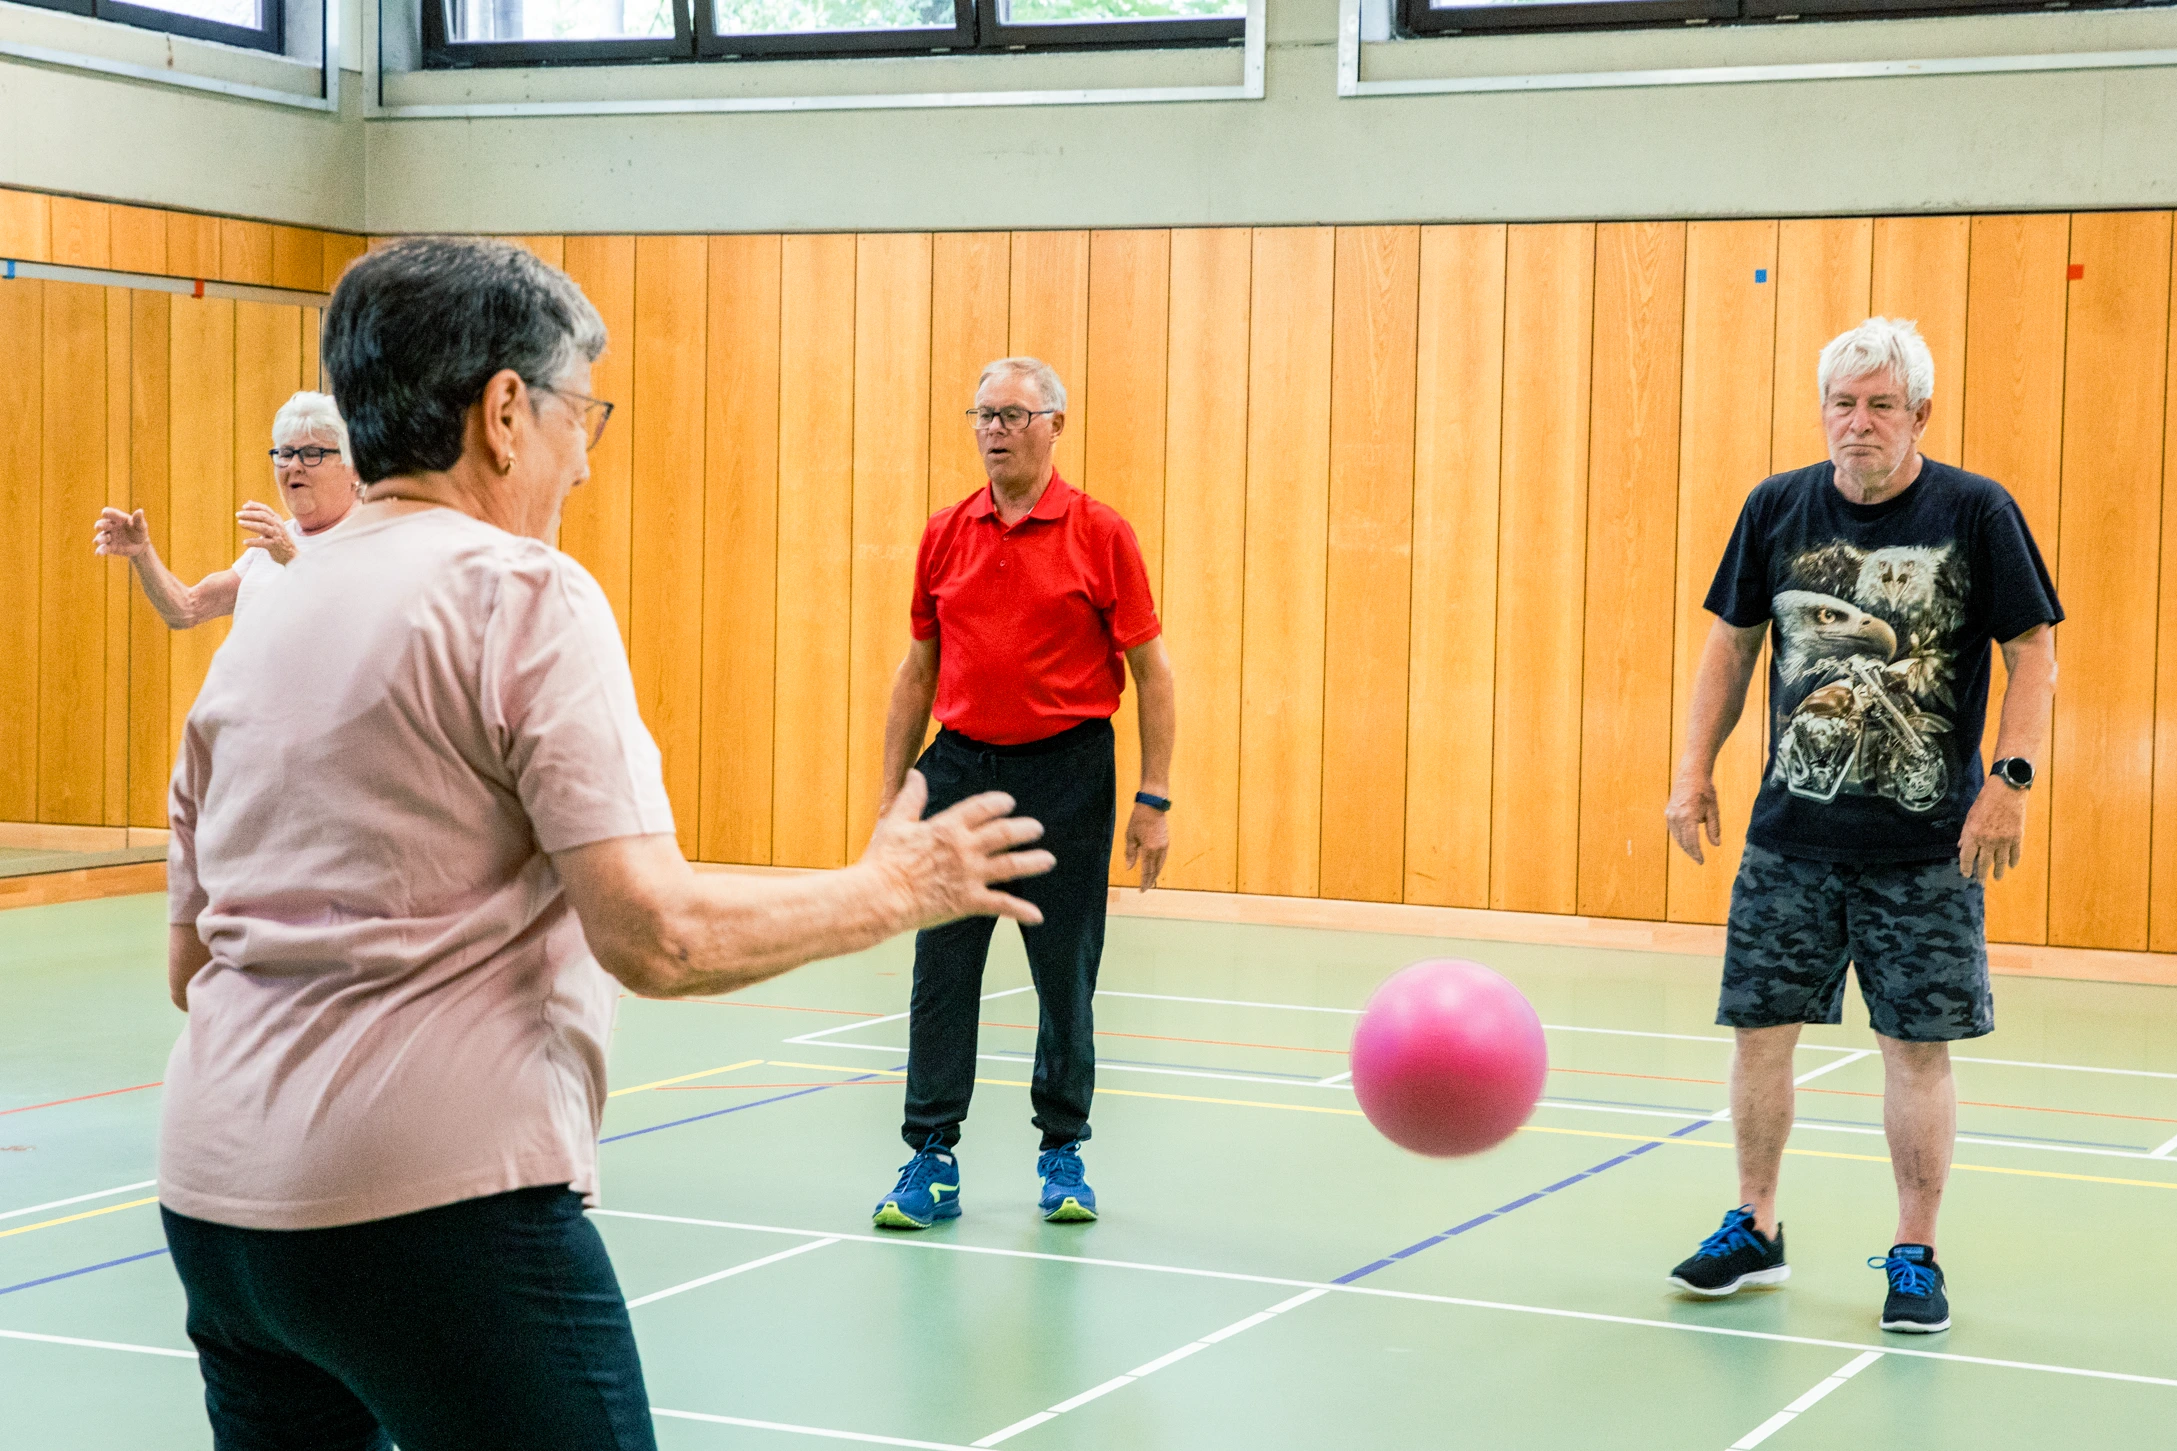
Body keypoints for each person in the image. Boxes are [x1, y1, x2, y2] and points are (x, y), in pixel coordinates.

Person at [157, 237, 1055, 1451]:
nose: (584, 460)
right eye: (585, 413)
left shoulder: (263, 617)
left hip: (219, 1217)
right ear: (507, 413)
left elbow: (186, 969)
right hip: (438, 1209)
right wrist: (897, 886)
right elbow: (658, 934)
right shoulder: (521, 592)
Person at [1662, 317, 2061, 1335]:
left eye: (1881, 404)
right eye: (1842, 402)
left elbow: (2032, 652)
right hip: (1786, 835)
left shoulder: (1974, 511)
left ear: (1917, 413)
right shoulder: (1774, 507)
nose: (1858, 422)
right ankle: (1752, 1224)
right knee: (1759, 1034)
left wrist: (2007, 779)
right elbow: (1728, 647)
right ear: (1821, 411)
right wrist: (1690, 770)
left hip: (1925, 846)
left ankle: (1914, 1249)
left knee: (1913, 1047)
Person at [868, 356, 1177, 1232]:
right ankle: (930, 1157)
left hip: (1068, 771)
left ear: (1053, 425)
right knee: (942, 969)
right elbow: (917, 667)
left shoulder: (1100, 532)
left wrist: (1153, 795)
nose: (993, 430)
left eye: (1010, 414)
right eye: (981, 415)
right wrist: (894, 795)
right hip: (960, 771)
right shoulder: (944, 532)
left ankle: (1062, 1148)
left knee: (1063, 974)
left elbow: (1151, 671)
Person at [93, 391, 361, 623]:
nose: (293, 466)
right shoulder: (274, 541)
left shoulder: (372, 535)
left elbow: (349, 620)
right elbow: (187, 609)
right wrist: (142, 552)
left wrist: (290, 557)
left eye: (312, 454)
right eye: (286, 454)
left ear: (355, 469)